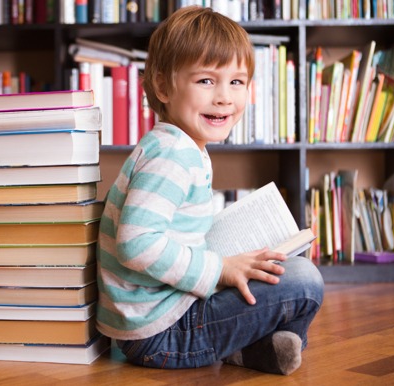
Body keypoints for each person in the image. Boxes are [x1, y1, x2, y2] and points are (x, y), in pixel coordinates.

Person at [96, 6, 324, 375]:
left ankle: (251, 350)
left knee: (281, 265)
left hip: (162, 318)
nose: (224, 97)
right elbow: (136, 242)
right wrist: (220, 268)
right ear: (163, 86)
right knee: (303, 281)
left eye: (236, 82)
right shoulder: (172, 153)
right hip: (160, 333)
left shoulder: (181, 145)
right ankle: (249, 348)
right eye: (206, 81)